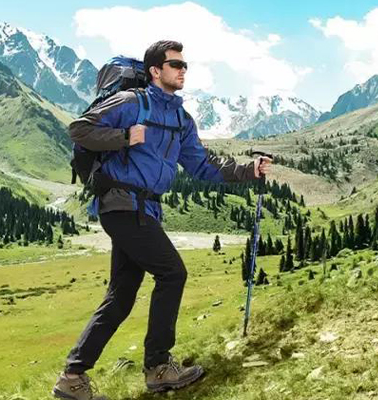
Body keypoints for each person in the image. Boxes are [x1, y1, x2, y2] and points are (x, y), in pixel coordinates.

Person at [52, 40, 272, 400]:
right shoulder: (131, 103)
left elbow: (203, 166)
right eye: (175, 65)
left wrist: (249, 171)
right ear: (155, 70)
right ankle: (157, 367)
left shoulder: (181, 118)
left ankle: (72, 378)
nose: (183, 70)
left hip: (145, 209)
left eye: (185, 65)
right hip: (122, 205)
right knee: (172, 273)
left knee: (121, 295)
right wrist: (124, 136)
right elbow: (79, 130)